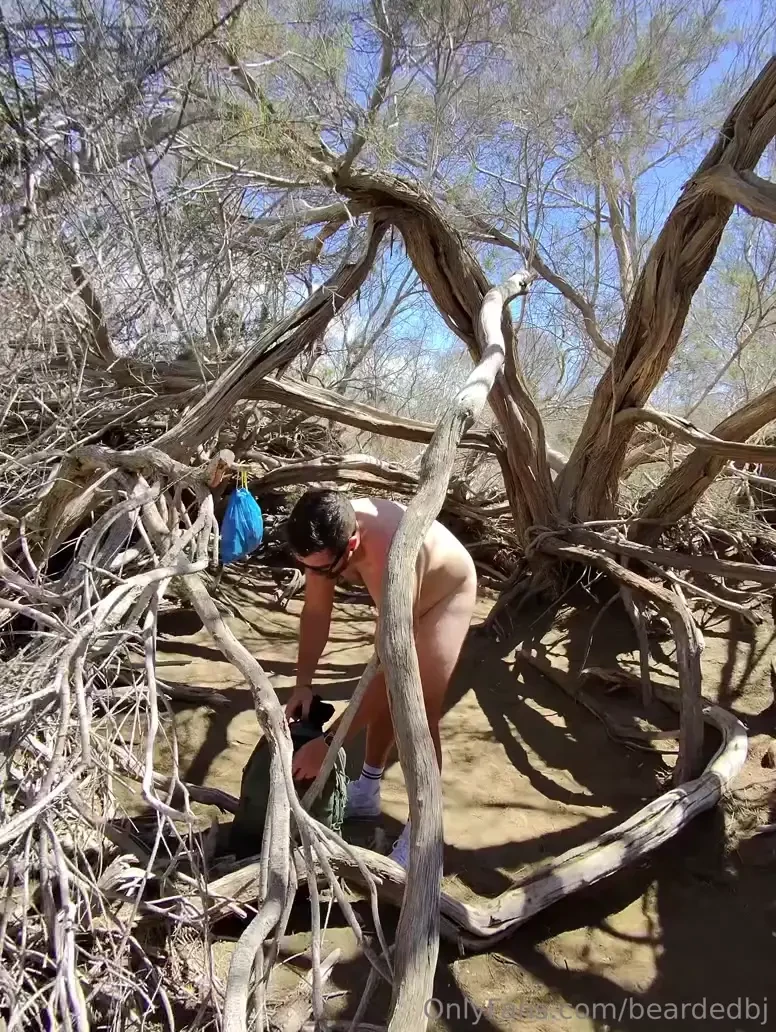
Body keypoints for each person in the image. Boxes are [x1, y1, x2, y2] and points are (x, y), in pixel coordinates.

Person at [284, 489, 477, 867]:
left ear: (352, 545)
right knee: (391, 696)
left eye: (322, 571)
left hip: (445, 593)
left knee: (418, 710)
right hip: (399, 602)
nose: (315, 576)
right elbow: (317, 611)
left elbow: (393, 667)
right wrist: (303, 684)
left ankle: (425, 836)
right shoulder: (325, 538)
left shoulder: (390, 557)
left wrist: (329, 744)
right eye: (308, 568)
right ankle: (367, 790)